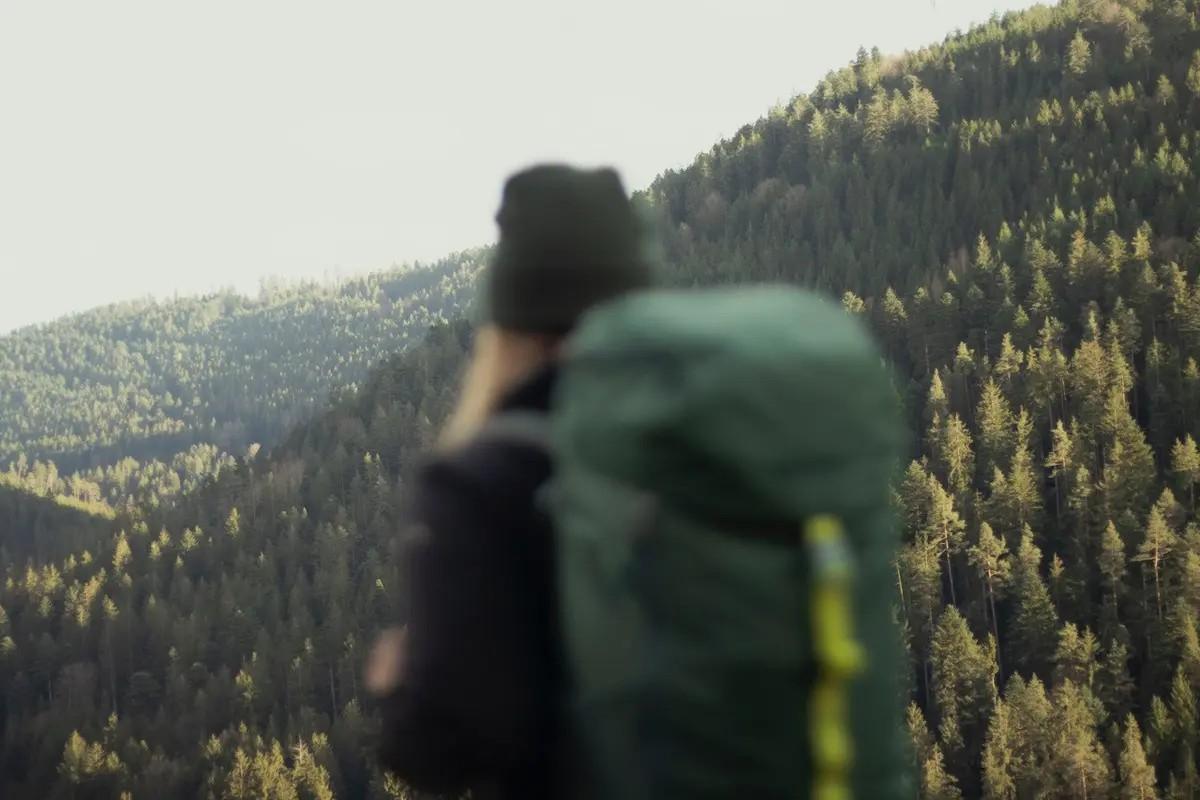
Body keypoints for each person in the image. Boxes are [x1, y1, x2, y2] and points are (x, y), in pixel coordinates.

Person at [365, 163, 654, 799]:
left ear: (510, 313)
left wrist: (399, 683)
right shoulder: (698, 443)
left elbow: (438, 748)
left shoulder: (482, 482)